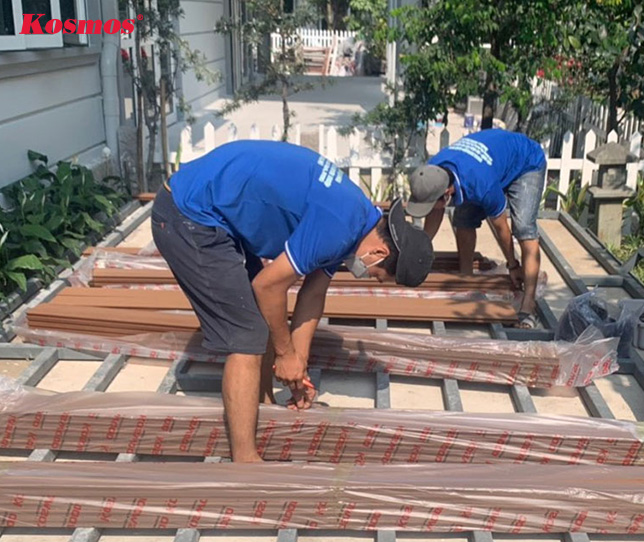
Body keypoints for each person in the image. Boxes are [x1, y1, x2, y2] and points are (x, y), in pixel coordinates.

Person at [152, 140, 434, 462]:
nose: (367, 276)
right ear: (380, 253)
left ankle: (261, 402)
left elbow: (313, 293)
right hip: (187, 214)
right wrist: (286, 353)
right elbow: (267, 287)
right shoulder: (338, 227)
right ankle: (245, 462)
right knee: (247, 335)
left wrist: (297, 370)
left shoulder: (358, 218)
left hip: (215, 211)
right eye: (377, 275)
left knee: (263, 320)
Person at [406, 128, 546, 329]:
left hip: (526, 162)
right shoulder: (433, 172)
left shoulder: (482, 185)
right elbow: (434, 213)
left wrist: (513, 265)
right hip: (489, 161)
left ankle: (528, 304)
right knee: (463, 219)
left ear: (447, 194)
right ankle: (466, 279)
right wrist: (418, 250)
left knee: (524, 228)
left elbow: (501, 228)